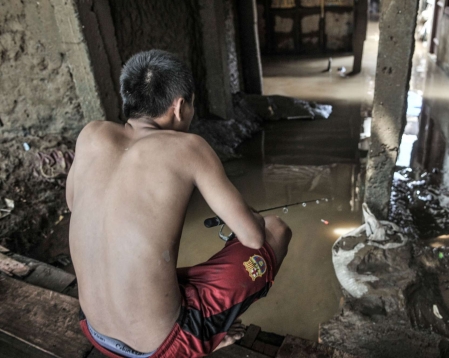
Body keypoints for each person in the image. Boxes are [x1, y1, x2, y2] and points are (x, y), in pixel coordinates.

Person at [66, 49, 292, 357]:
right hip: (163, 347)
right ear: (180, 107)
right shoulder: (190, 148)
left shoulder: (91, 134)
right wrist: (246, 214)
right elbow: (253, 237)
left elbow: (73, 204)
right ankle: (206, 334)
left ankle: (205, 327)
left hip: (94, 330)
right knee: (276, 231)